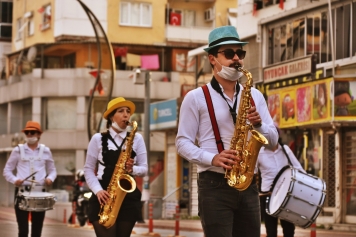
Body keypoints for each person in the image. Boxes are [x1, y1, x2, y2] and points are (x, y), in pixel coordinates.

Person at [175, 25, 278, 237]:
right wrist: (213, 158)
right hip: (213, 186)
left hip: (248, 185)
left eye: (240, 53)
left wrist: (259, 125)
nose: (237, 59)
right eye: (229, 53)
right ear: (212, 58)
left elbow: (274, 141)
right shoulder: (195, 97)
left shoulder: (255, 95)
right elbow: (182, 143)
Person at [84, 97, 148, 237]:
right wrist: (98, 191)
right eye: (121, 111)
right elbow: (88, 169)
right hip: (103, 195)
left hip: (127, 197)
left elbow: (144, 168)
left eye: (128, 111)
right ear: (112, 116)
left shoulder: (137, 138)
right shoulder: (97, 139)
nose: (126, 114)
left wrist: (132, 169)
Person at [3, 121, 57, 237]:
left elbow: (52, 171)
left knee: (36, 232)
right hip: (22, 192)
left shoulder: (46, 151)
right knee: (23, 231)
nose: (29, 135)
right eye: (27, 133)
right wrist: (15, 180)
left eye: (32, 132)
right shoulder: (17, 150)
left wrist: (50, 179)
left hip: (40, 193)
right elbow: (7, 170)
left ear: (39, 134)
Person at [257, 123, 305, 237]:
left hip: (286, 195)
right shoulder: (259, 153)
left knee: (289, 230)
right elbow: (252, 172)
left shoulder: (285, 149)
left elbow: (298, 169)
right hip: (267, 195)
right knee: (271, 230)